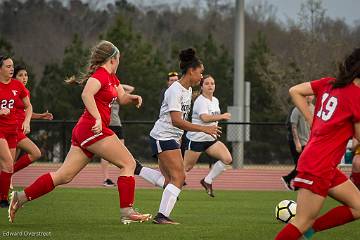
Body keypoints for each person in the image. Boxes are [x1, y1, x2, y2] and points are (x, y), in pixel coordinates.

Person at [8, 40, 151, 224]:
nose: (119, 62)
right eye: (119, 59)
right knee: (129, 164)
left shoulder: (111, 77)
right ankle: (127, 211)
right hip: (92, 129)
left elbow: (121, 97)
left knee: (63, 176)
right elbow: (86, 95)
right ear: (113, 59)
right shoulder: (100, 76)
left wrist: (133, 98)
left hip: (86, 130)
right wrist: (98, 118)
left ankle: (19, 197)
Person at [275, 48, 360, 239]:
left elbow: (294, 90)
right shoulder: (356, 96)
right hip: (318, 165)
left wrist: (310, 118)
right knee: (302, 221)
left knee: (358, 206)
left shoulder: (329, 83)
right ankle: (308, 229)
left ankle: (311, 231)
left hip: (322, 164)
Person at [149, 48, 221, 224]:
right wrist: (203, 129)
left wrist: (180, 137)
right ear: (191, 70)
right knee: (179, 177)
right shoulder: (175, 90)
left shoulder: (188, 90)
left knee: (170, 179)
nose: (202, 77)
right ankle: (162, 216)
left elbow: (180, 121)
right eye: (200, 73)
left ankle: (138, 171)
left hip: (170, 138)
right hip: (163, 137)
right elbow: (175, 120)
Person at [183, 75, 232, 197]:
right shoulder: (200, 101)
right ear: (202, 86)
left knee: (227, 159)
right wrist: (222, 116)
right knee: (185, 168)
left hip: (210, 139)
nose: (210, 85)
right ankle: (171, 188)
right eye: (207, 83)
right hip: (196, 139)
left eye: (212, 83)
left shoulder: (215, 100)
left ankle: (207, 181)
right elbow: (204, 118)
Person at [0, 55, 32, 208]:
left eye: (12, 66)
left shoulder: (17, 86)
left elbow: (29, 106)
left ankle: (3, 198)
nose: (11, 69)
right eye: (7, 66)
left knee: (8, 166)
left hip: (13, 131)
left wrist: (26, 121)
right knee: (7, 163)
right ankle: (4, 200)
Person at [13, 65, 53, 176]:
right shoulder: (11, 90)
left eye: (26, 75)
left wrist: (41, 116)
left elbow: (26, 113)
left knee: (10, 163)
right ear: (14, 77)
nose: (24, 78)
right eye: (20, 75)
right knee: (35, 153)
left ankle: (6, 179)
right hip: (13, 129)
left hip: (21, 130)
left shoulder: (25, 92)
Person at [100, 84, 134, 187]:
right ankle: (106, 178)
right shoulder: (104, 93)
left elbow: (131, 89)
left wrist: (117, 84)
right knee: (105, 153)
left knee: (122, 151)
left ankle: (123, 176)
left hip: (117, 124)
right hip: (107, 124)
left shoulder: (117, 94)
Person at [281, 96, 314, 190]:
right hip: (300, 141)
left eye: (311, 95)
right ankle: (293, 182)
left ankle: (291, 181)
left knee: (304, 165)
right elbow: (294, 127)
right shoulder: (298, 109)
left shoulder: (313, 108)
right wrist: (297, 143)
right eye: (307, 95)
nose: (309, 97)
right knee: (301, 165)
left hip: (309, 141)